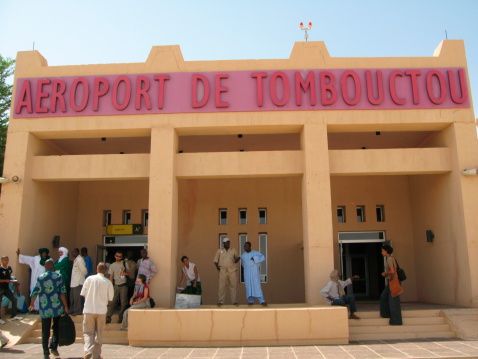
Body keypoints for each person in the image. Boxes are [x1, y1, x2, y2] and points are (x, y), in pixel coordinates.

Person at [29, 258, 68, 359]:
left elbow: (34, 292)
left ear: (45, 267)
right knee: (56, 328)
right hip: (57, 307)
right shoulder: (59, 277)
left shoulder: (40, 277)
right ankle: (54, 347)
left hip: (45, 308)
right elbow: (62, 293)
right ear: (53, 266)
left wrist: (32, 304)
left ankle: (45, 352)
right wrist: (66, 306)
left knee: (45, 330)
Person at [81, 262, 114, 359]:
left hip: (89, 309)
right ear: (106, 271)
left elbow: (83, 293)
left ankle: (88, 350)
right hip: (101, 311)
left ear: (97, 270)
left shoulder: (89, 279)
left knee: (88, 332)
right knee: (99, 333)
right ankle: (96, 355)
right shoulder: (108, 282)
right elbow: (110, 298)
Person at [380, 244, 403, 325]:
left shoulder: (389, 259)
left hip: (394, 281)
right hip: (391, 281)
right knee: (384, 296)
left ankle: (396, 320)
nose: (382, 252)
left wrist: (385, 273)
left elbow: (393, 271)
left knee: (393, 300)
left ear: (386, 251)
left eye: (382, 251)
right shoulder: (391, 258)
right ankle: (386, 314)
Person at [106, 251, 131, 324]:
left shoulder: (124, 263)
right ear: (115, 256)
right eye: (117, 256)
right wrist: (110, 287)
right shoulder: (112, 265)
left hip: (123, 285)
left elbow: (130, 273)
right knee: (112, 301)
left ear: (122, 257)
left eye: (120, 256)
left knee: (123, 302)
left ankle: (120, 317)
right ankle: (108, 317)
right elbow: (111, 277)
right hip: (116, 285)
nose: (118, 257)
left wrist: (125, 273)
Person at [213, 238, 240, 306]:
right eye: (227, 242)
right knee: (222, 286)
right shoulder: (219, 251)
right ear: (223, 243)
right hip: (223, 270)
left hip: (232, 270)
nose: (228, 243)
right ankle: (220, 301)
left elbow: (237, 258)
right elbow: (215, 260)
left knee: (233, 286)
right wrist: (218, 268)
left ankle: (234, 301)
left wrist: (237, 259)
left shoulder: (233, 250)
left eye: (229, 242)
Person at [240, 242, 267, 306]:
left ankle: (261, 300)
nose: (245, 248)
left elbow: (263, 257)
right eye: (244, 246)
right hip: (247, 273)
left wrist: (255, 258)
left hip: (254, 273)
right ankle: (250, 300)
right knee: (248, 287)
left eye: (246, 246)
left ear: (250, 246)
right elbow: (243, 264)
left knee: (257, 286)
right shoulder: (243, 255)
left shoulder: (255, 253)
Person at [0, 256, 24, 324]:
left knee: (14, 299)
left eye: (7, 260)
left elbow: (9, 277)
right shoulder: (0, 269)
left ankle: (13, 316)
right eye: (5, 260)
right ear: (2, 261)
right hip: (1, 288)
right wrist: (5, 280)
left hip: (7, 288)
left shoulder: (9, 268)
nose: (7, 261)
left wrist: (14, 281)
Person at [69, 248, 87, 316]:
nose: (72, 253)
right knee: (72, 297)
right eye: (71, 252)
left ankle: (78, 311)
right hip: (74, 282)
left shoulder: (79, 260)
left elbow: (84, 271)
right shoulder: (76, 259)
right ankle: (73, 310)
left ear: (77, 252)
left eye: (73, 252)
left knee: (77, 298)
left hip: (78, 282)